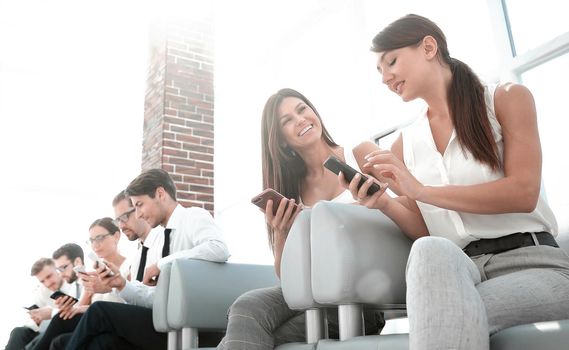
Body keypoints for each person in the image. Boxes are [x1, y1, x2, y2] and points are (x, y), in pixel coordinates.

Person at [341, 14, 569, 350]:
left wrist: (421, 190)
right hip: (459, 271)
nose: (385, 77)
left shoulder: (506, 99)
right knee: (429, 248)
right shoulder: (404, 143)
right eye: (379, 71)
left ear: (429, 47)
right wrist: (386, 203)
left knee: (441, 316)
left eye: (391, 61)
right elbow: (426, 229)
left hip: (534, 265)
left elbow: (523, 192)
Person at [217, 88, 385, 350]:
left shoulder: (360, 154)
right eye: (287, 121)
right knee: (246, 306)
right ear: (281, 140)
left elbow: (402, 211)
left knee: (239, 340)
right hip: (308, 293)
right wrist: (282, 232)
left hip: (359, 295)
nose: (300, 120)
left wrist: (360, 206)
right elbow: (287, 279)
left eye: (302, 109)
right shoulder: (291, 191)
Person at [64, 168, 230, 350]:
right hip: (166, 322)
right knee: (102, 343)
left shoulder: (193, 216)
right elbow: (157, 298)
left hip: (193, 328)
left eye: (140, 205)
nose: (138, 214)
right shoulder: (159, 241)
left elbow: (218, 248)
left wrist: (162, 264)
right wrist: (121, 284)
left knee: (100, 310)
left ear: (160, 194)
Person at [32, 227, 129, 350]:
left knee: (59, 324)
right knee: (44, 336)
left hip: (109, 321)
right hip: (95, 318)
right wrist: (69, 307)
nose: (61, 274)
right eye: (92, 241)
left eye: (63, 268)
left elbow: (100, 307)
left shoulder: (93, 277)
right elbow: (81, 308)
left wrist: (58, 311)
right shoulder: (80, 282)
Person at [4, 258, 75, 350]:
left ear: (57, 270)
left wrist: (51, 313)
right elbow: (30, 322)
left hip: (64, 327)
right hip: (45, 330)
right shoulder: (42, 291)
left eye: (49, 276)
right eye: (42, 281)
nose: (48, 283)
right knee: (18, 332)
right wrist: (37, 321)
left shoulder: (73, 284)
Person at [112, 189, 162, 282]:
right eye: (118, 220)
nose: (121, 226)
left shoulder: (165, 242)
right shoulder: (136, 260)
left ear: (139, 209)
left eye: (124, 217)